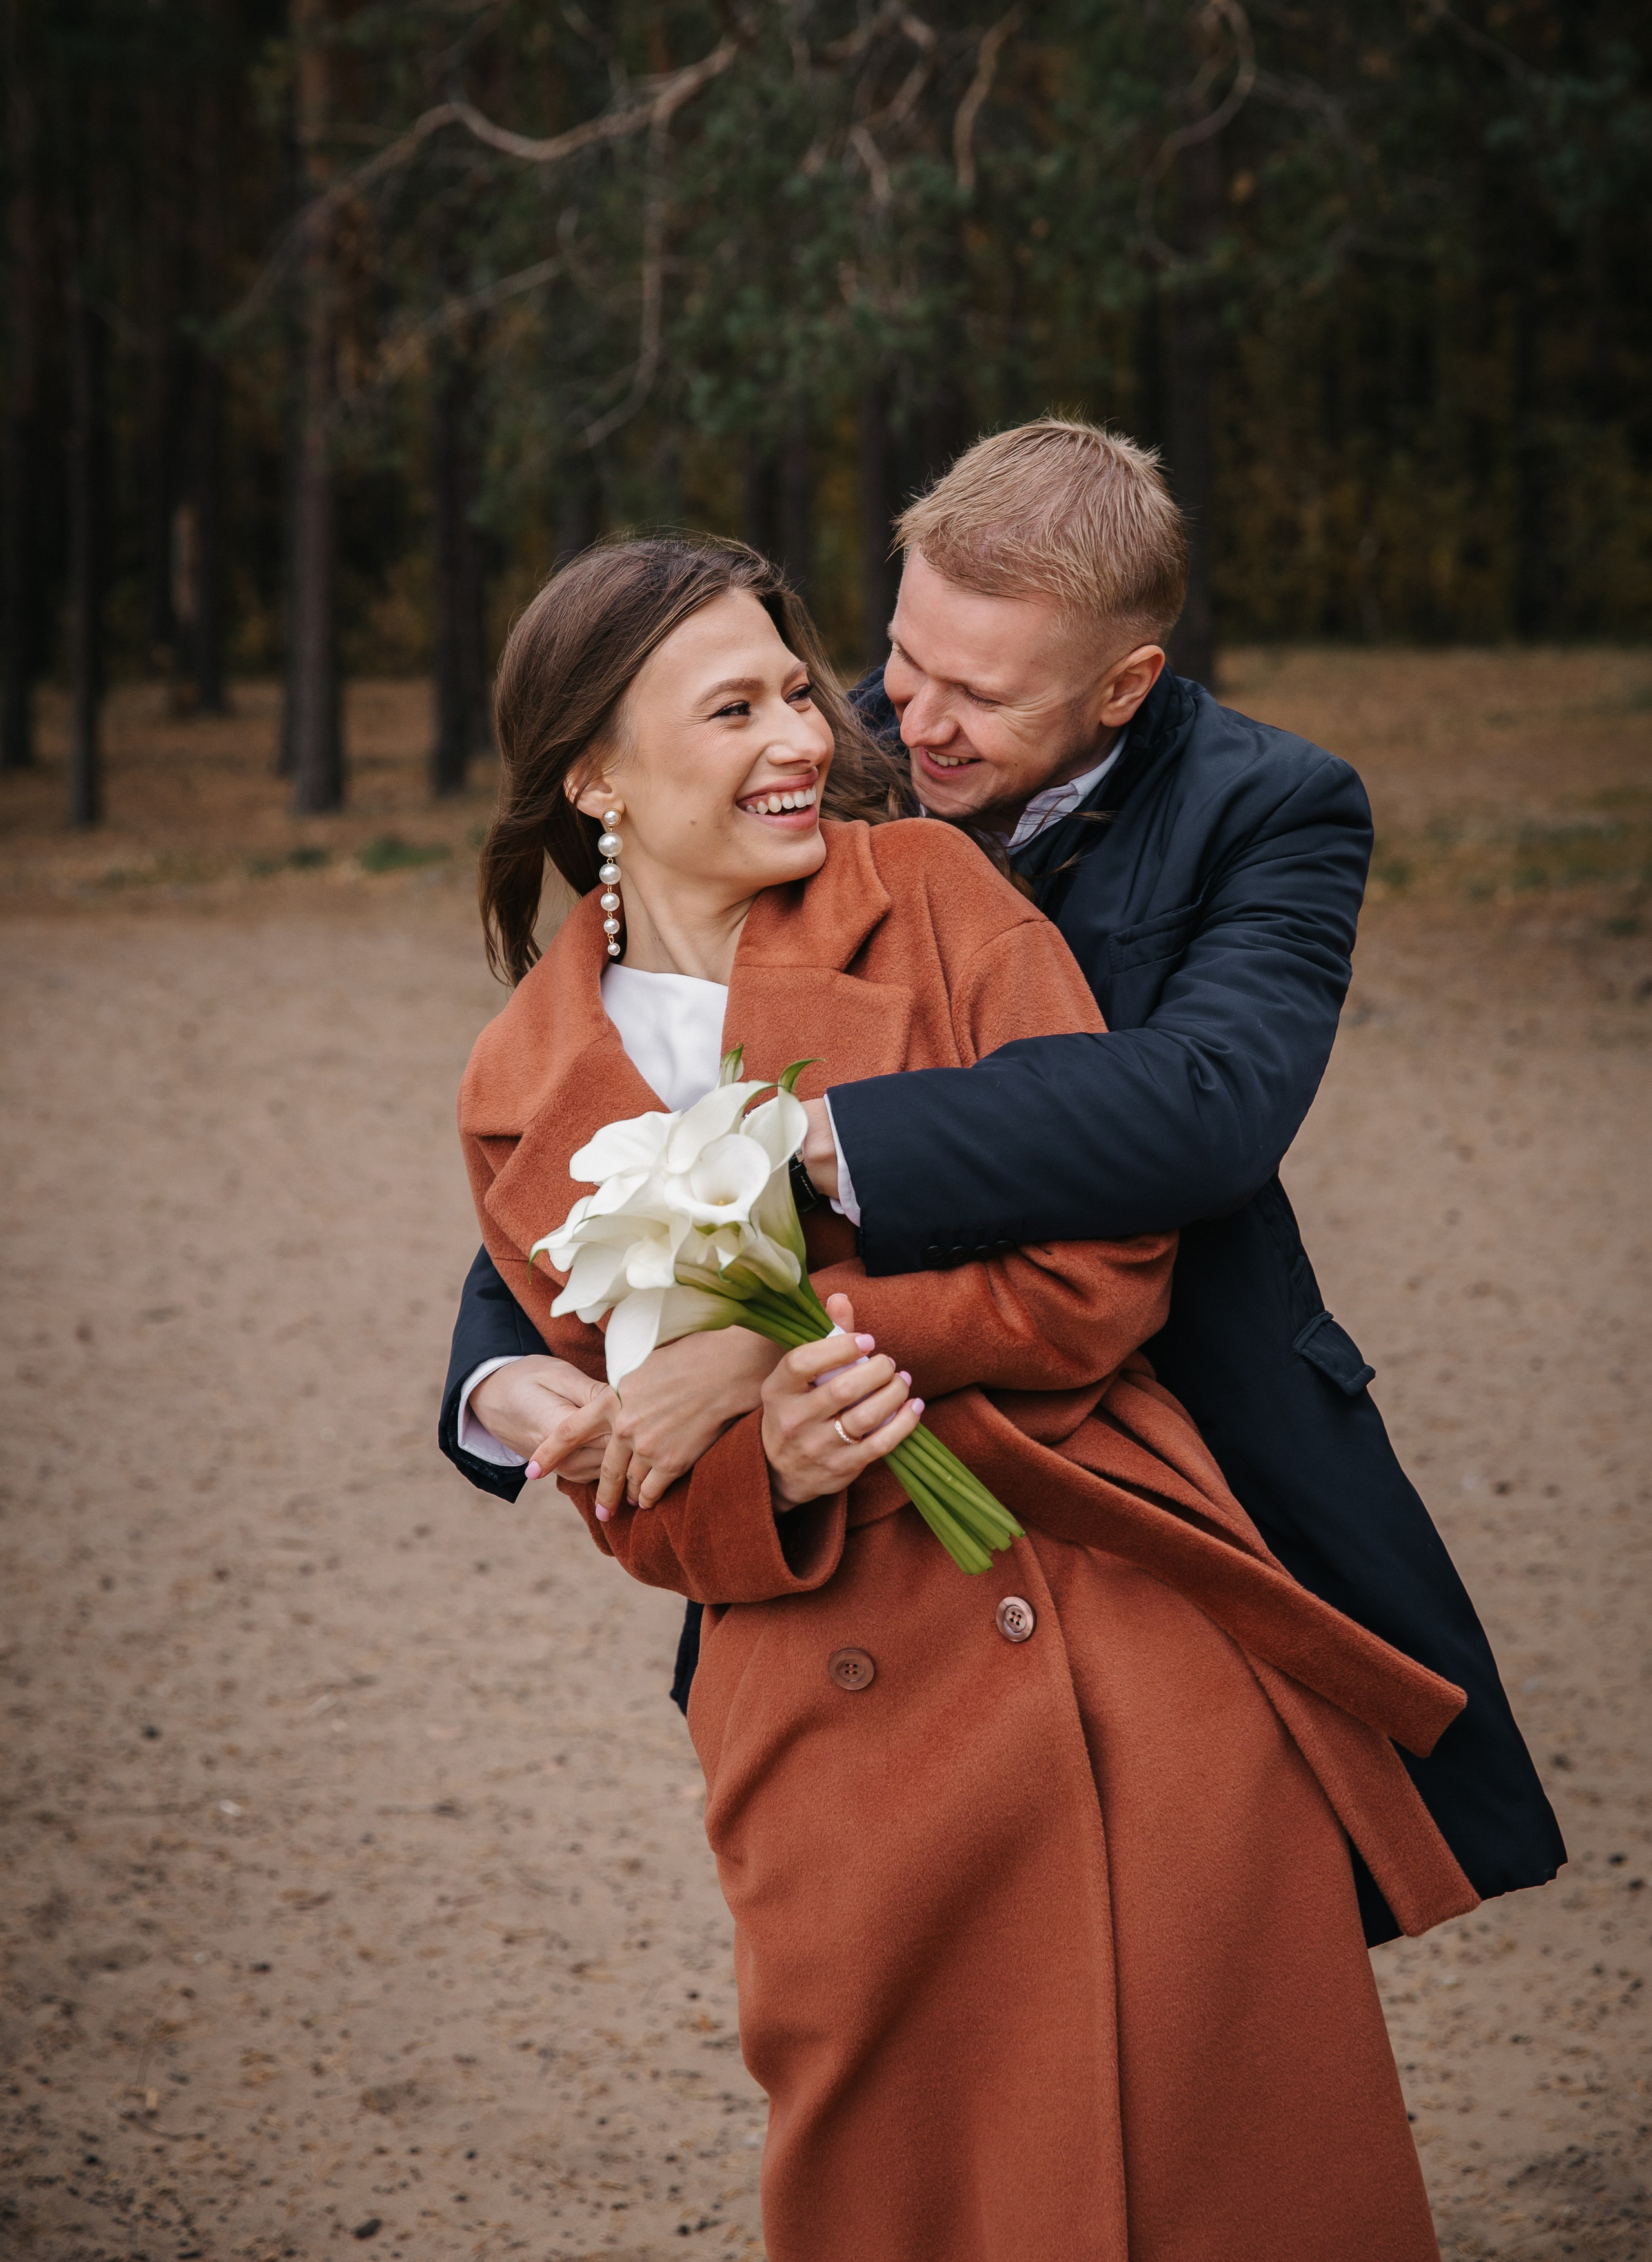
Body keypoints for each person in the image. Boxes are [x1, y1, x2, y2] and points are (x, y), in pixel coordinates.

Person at [454, 533, 1475, 2262]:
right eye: (738, 706)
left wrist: (789, 1339)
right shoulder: (524, 1082)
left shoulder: (930, 893)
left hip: (1117, 1637)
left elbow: (1102, 1280)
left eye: (797, 687)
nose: (805, 732)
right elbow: (636, 1492)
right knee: (907, 2197)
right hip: (824, 1723)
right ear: (594, 777)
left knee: (1243, 2183)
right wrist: (754, 1460)